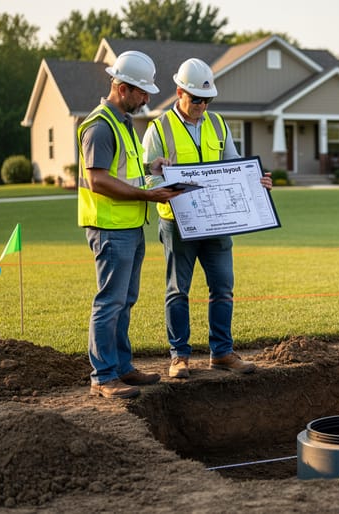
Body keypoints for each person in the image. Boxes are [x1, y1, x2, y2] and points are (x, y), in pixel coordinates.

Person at [142, 58, 272, 379]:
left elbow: (233, 166)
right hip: (177, 222)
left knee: (223, 287)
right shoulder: (158, 129)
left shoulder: (218, 124)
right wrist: (171, 190)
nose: (202, 105)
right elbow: (148, 177)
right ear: (179, 93)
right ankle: (179, 357)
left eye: (207, 99)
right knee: (177, 290)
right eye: (196, 98)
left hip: (217, 223)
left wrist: (255, 180)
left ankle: (222, 353)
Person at [78, 50, 184, 399]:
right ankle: (103, 376)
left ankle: (121, 367)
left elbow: (125, 172)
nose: (147, 98)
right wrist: (148, 196)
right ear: (122, 88)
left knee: (125, 300)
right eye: (142, 92)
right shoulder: (100, 126)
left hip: (129, 227)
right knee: (110, 302)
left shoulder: (121, 123)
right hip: (110, 229)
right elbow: (99, 181)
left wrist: (151, 170)